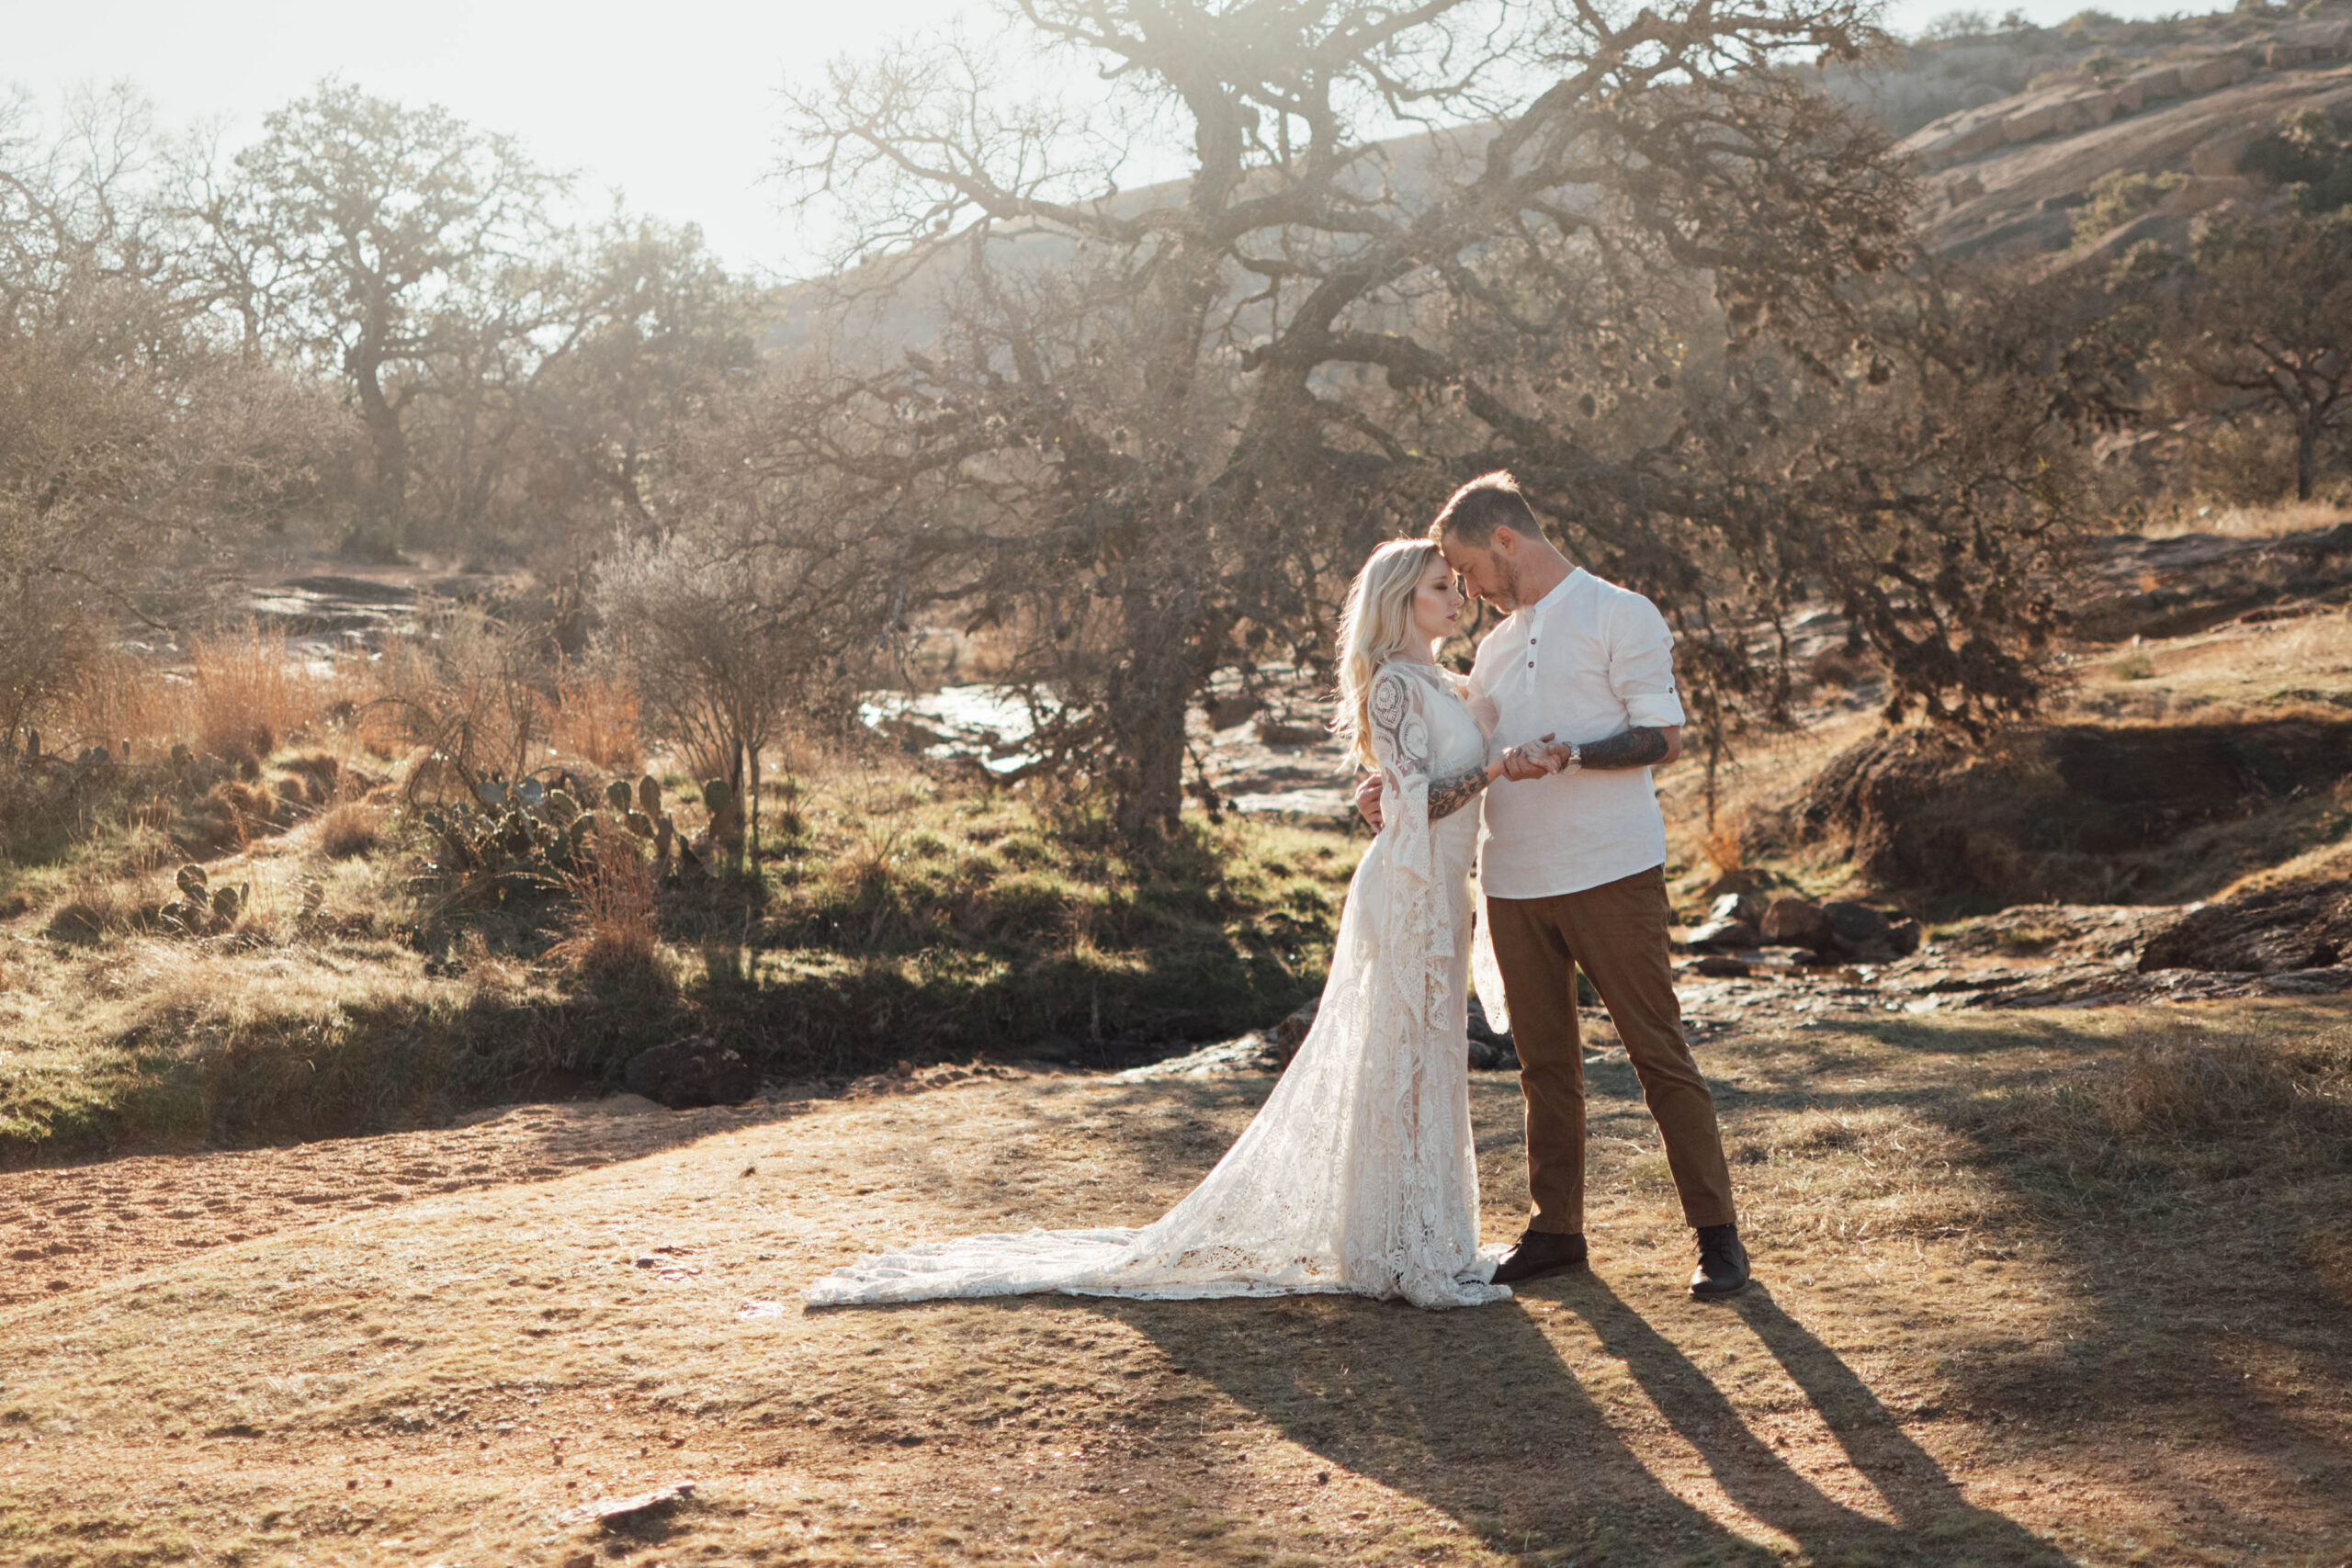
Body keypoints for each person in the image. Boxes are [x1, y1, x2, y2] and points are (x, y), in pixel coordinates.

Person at [806, 539, 1556, 1311]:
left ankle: (1425, 1236)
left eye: (1455, 586)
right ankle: (1393, 1248)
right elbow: (1412, 807)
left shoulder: (1444, 682)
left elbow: (1417, 779)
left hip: (1443, 893)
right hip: (1405, 892)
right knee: (1397, 1064)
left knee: (1431, 1062)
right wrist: (1495, 768)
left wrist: (1500, 740)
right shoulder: (1394, 686)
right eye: (1440, 586)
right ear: (1401, 600)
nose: (1457, 596)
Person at [1357, 471, 1750, 1301]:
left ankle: (1717, 1239)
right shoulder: (1494, 649)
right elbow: (1456, 751)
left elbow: (1662, 736)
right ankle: (1556, 1232)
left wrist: (1573, 752)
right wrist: (1383, 790)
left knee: (1657, 1053)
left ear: (1506, 541)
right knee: (1543, 1066)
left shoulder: (1620, 612)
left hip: (1611, 868)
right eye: (1451, 580)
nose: (1465, 589)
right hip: (1511, 881)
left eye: (1469, 569)